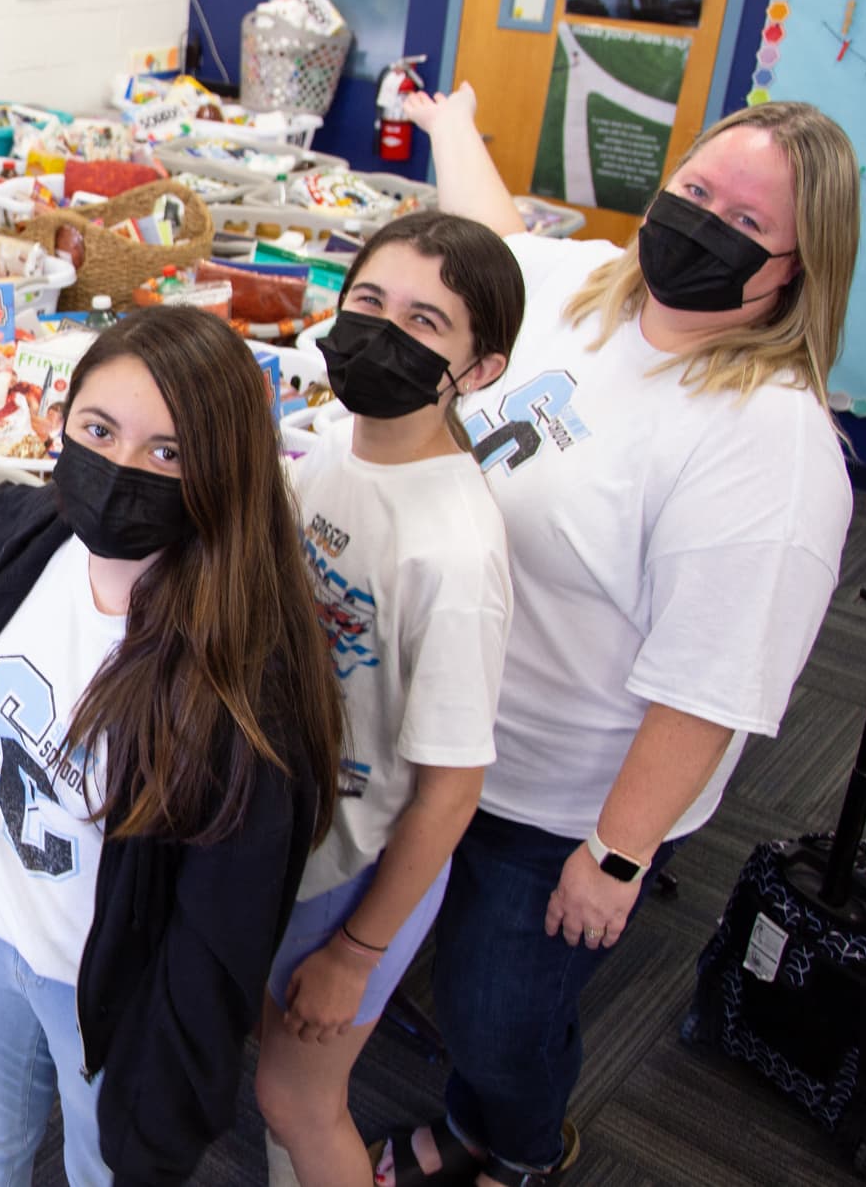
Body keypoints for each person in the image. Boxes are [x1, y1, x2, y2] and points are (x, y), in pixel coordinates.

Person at [373, 86, 857, 1187]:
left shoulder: (767, 445)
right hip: (451, 728)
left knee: (498, 1011)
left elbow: (710, 686)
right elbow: (494, 239)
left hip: (561, 798)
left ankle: (514, 1148)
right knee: (440, 957)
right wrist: (450, 125)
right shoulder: (589, 287)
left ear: (793, 269)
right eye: (696, 190)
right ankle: (482, 1119)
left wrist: (616, 856)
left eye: (745, 221)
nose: (702, 223)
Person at [0, 305, 346, 1186]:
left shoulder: (239, 692)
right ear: (62, 423)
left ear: (221, 469)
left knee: (102, 1168)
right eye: (99, 431)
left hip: (104, 989)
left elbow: (218, 942)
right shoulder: (40, 536)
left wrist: (166, 1115)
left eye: (167, 451)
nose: (119, 472)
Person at [253, 212, 524, 1187]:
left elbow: (452, 791)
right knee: (274, 1075)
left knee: (297, 1098)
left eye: (424, 321)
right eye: (368, 301)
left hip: (355, 868)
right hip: (290, 824)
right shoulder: (334, 446)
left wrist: (356, 954)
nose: (382, 332)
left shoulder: (451, 552)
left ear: (478, 370)